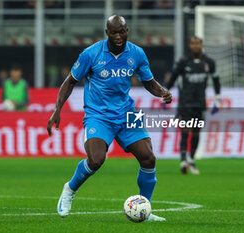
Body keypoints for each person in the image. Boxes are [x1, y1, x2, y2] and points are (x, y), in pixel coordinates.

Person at [47, 15, 172, 221]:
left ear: (127, 31)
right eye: (113, 32)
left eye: (121, 31)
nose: (118, 36)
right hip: (98, 115)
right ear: (106, 33)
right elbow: (70, 81)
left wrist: (162, 92)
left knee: (148, 158)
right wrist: (56, 110)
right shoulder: (91, 54)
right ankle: (69, 189)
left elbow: (148, 82)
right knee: (96, 160)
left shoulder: (137, 54)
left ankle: (144, 209)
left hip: (126, 114)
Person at [165, 36, 221, 175]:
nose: (196, 46)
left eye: (198, 43)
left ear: (201, 45)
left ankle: (191, 158)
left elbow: (216, 80)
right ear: (189, 46)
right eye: (193, 43)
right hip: (185, 103)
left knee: (196, 131)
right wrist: (164, 94)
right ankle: (183, 159)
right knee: (185, 130)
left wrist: (217, 99)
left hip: (200, 103)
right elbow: (173, 78)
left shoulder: (209, 62)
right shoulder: (183, 62)